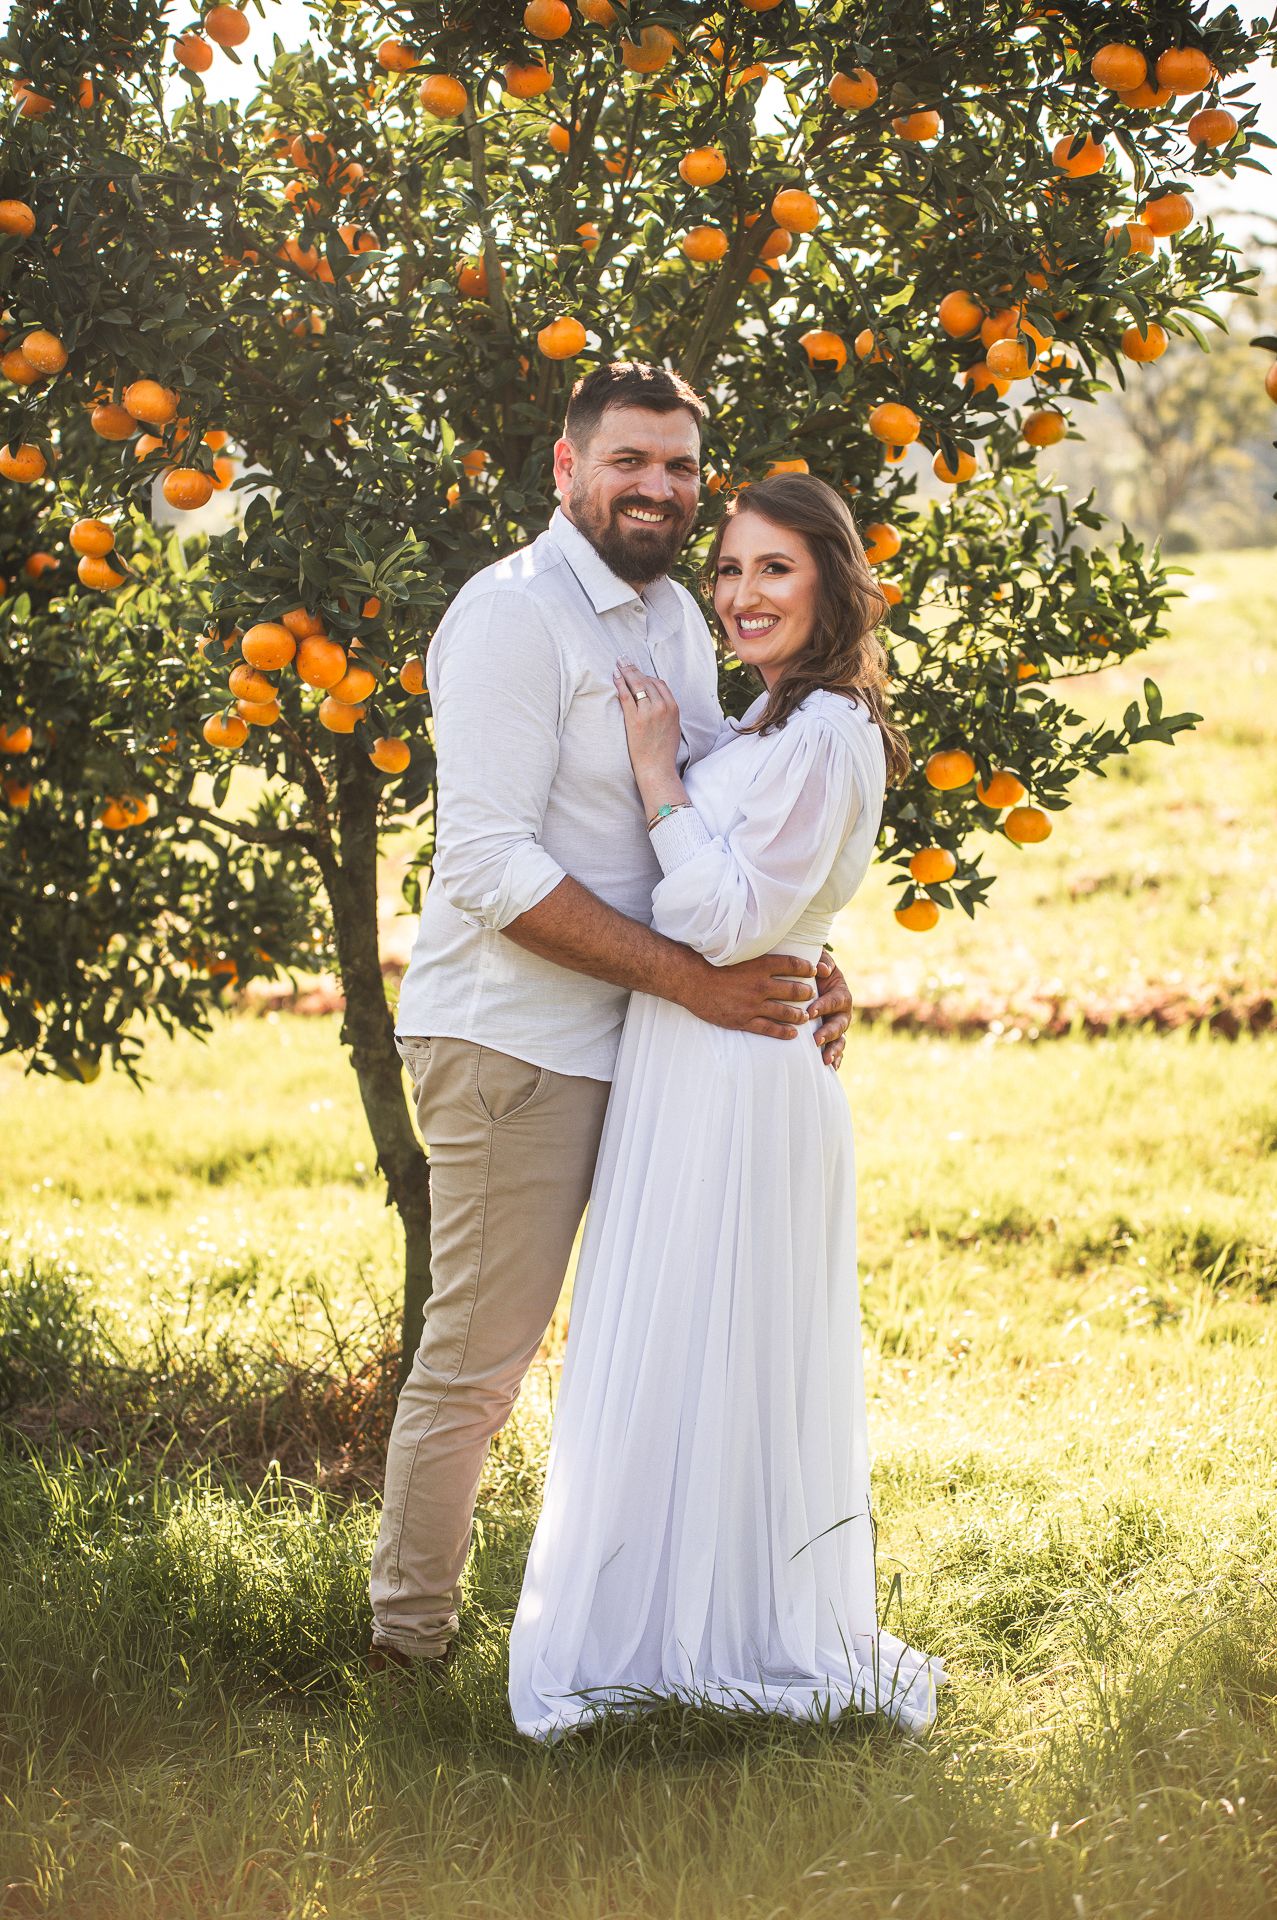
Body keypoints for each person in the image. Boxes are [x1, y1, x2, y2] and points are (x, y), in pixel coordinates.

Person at [368, 364, 854, 1671]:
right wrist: (694, 981)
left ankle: (658, 1635)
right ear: (564, 471)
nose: (659, 488)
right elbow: (484, 865)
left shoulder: (677, 619)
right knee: (478, 1367)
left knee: (662, 1358)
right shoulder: (513, 618)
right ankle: (406, 1648)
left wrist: (802, 947)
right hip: (515, 1043)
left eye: (681, 468)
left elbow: (706, 806)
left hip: (647, 1045)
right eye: (631, 461)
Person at [508, 474, 947, 1737]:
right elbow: (761, 899)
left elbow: (717, 915)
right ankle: (656, 1619)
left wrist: (656, 777)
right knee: (674, 1330)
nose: (741, 596)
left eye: (773, 571)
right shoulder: (763, 719)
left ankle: (728, 1631)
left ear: (831, 585)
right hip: (690, 1057)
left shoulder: (830, 732)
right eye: (730, 571)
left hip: (745, 1071)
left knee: (725, 1335)